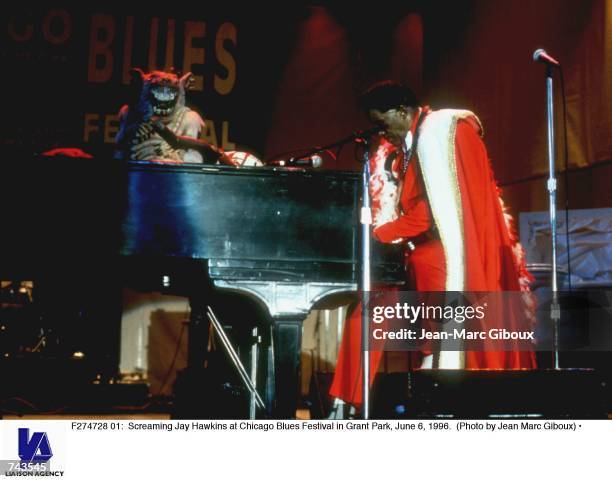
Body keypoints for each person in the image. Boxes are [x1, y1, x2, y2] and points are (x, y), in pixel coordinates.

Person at [330, 81, 536, 406]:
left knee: (419, 272)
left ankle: (433, 369)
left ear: (402, 111)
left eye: (384, 125)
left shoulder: (439, 132)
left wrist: (381, 234)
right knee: (369, 309)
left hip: (441, 254)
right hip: (411, 252)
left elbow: (432, 211)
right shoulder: (410, 149)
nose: (383, 136)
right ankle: (347, 398)